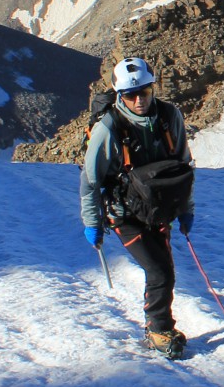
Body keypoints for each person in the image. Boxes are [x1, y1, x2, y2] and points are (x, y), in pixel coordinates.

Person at [81, 57, 196, 359]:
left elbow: (183, 164)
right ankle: (159, 330)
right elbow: (91, 180)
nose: (138, 99)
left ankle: (159, 327)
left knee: (164, 270)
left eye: (144, 92)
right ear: (119, 95)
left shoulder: (169, 117)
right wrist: (92, 222)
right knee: (159, 270)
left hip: (159, 208)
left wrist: (186, 208)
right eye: (130, 95)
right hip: (124, 212)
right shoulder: (109, 128)